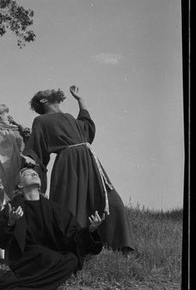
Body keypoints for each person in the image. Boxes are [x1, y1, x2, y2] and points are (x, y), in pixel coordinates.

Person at [0, 167, 105, 290]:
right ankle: (34, 284)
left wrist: (90, 231)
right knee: (53, 259)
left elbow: (72, 235)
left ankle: (27, 285)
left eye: (35, 173)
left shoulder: (54, 208)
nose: (33, 174)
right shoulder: (13, 207)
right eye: (27, 174)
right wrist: (11, 222)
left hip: (50, 256)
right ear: (20, 184)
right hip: (25, 259)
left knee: (71, 260)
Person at [24, 85, 136, 254]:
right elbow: (36, 149)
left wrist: (80, 101)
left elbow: (87, 128)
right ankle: (72, 249)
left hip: (89, 160)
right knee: (70, 205)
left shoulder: (68, 117)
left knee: (113, 202)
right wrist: (29, 161)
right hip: (68, 164)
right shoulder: (40, 121)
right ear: (44, 100)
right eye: (47, 92)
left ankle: (121, 245)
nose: (51, 89)